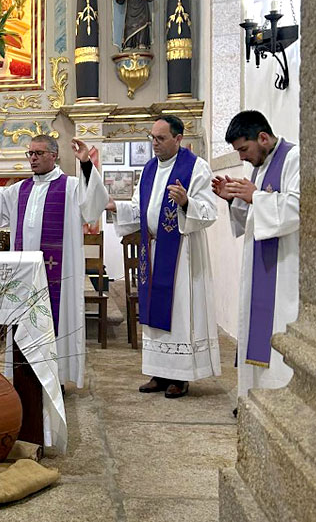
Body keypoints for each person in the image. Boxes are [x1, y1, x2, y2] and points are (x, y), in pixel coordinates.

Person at [0, 135, 109, 388]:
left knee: (58, 320)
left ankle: (56, 378)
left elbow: (94, 203)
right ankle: (25, 376)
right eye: (30, 153)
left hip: (59, 273)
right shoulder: (20, 189)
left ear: (53, 155)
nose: (32, 158)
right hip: (25, 277)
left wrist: (87, 164)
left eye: (38, 153)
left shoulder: (71, 187)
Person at [107, 116, 221, 398]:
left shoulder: (196, 168)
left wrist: (186, 203)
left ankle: (180, 378)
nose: (154, 144)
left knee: (179, 311)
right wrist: (116, 207)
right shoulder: (149, 170)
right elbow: (138, 208)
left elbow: (209, 211)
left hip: (182, 254)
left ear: (178, 139)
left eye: (160, 138)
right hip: (153, 250)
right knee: (154, 311)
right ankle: (159, 372)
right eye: (152, 138)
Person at [213, 110, 299, 415]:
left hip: (283, 267)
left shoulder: (294, 159)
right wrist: (233, 199)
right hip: (260, 263)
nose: (243, 157)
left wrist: (256, 197)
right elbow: (252, 218)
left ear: (262, 138)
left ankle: (275, 401)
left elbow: (297, 209)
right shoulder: (261, 166)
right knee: (254, 330)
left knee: (277, 330)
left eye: (244, 150)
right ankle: (251, 396)